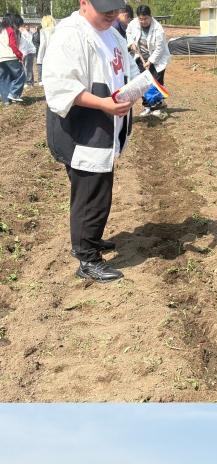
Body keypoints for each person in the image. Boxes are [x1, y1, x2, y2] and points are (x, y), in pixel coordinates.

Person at [44, 0, 137, 283]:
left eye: (115, 9)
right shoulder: (70, 34)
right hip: (83, 129)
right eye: (105, 9)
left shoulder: (112, 33)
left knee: (99, 189)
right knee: (89, 194)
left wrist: (137, 89)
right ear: (84, 2)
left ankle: (91, 239)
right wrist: (103, 104)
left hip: (104, 126)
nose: (112, 14)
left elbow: (125, 69)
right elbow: (60, 86)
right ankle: (87, 258)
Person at [125, 6, 170, 117]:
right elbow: (128, 32)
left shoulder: (158, 29)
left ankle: (157, 107)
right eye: (141, 19)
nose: (143, 21)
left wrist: (150, 61)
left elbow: (160, 48)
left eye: (145, 19)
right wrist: (131, 43)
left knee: (156, 83)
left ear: (150, 16)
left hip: (157, 60)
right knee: (143, 83)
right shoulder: (133, 24)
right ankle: (147, 107)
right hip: (140, 58)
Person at [0, 13, 26, 105]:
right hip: (10, 56)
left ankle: (6, 101)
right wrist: (20, 55)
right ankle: (14, 94)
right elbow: (12, 45)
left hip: (1, 58)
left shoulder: (1, 30)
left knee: (4, 78)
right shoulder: (10, 30)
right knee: (21, 75)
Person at [36, 15, 55, 84]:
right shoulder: (57, 30)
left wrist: (39, 57)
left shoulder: (43, 31)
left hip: (47, 53)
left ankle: (41, 80)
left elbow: (43, 44)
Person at [19, 22, 36, 89]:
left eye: (28, 26)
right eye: (26, 26)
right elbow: (23, 44)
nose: (27, 27)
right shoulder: (23, 33)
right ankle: (28, 81)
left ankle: (29, 82)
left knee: (28, 67)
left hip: (29, 52)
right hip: (24, 52)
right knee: (25, 67)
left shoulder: (29, 33)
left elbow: (27, 44)